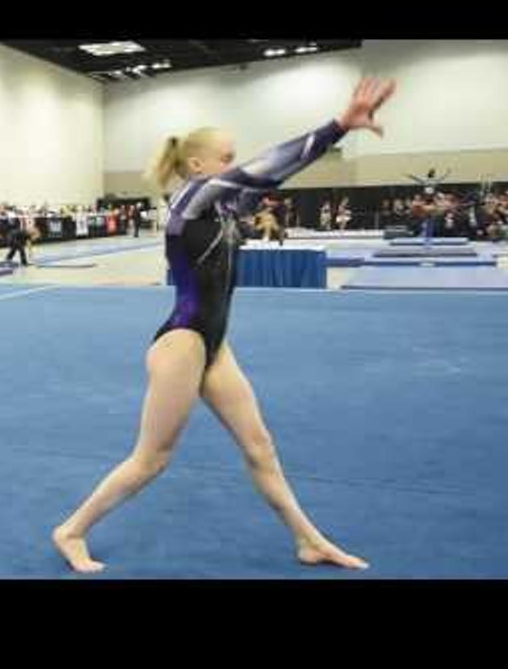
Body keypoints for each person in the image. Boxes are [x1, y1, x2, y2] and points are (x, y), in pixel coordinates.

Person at [52, 77, 396, 574]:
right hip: (183, 342)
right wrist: (338, 126)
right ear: (197, 165)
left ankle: (309, 540)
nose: (234, 165)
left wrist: (328, 142)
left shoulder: (225, 207)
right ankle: (72, 530)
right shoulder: (192, 199)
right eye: (226, 157)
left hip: (213, 344)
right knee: (152, 459)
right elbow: (267, 168)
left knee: (261, 447)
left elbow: (271, 177)